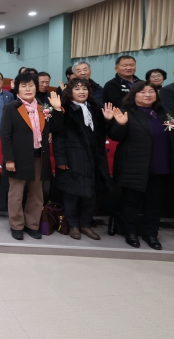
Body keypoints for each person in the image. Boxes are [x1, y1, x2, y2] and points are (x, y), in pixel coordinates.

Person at [108, 81, 174, 250]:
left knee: (155, 203)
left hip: (161, 166)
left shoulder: (165, 113)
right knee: (131, 202)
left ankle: (151, 234)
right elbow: (115, 136)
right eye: (142, 92)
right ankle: (130, 232)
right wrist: (121, 124)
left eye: (151, 91)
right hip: (134, 167)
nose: (147, 95)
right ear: (134, 95)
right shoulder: (126, 112)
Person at [0, 72, 64, 240]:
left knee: (36, 194)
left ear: (36, 88)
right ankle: (16, 225)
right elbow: (5, 136)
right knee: (16, 194)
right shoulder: (11, 108)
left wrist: (57, 109)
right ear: (17, 89)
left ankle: (32, 225)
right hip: (18, 158)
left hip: (39, 157)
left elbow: (57, 127)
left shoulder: (44, 107)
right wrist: (9, 159)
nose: (27, 89)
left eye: (31, 85)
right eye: (24, 86)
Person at [53, 79, 110, 241]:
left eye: (84, 88)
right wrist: (61, 159)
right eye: (77, 89)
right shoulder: (65, 108)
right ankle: (73, 225)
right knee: (71, 193)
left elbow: (103, 133)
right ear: (70, 91)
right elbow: (58, 135)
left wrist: (108, 120)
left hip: (94, 157)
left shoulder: (95, 107)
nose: (81, 91)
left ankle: (85, 224)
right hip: (72, 157)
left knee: (90, 194)